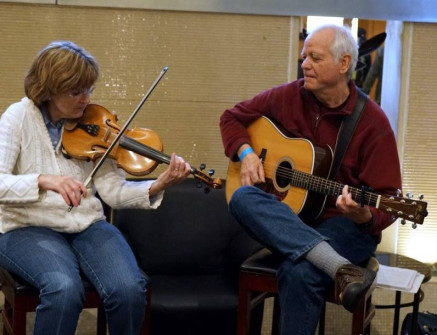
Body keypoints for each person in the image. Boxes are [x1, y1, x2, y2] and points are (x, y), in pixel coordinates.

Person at [220, 25, 401, 335]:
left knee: (300, 271)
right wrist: (247, 153)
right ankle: (339, 268)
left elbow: (389, 198)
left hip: (343, 226)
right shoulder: (289, 95)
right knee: (241, 197)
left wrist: (365, 214)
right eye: (305, 57)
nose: (305, 64)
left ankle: (327, 260)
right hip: (292, 219)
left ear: (343, 64)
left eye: (315, 58)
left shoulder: (373, 123)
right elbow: (231, 118)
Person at [0, 41, 191, 335]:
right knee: (63, 289)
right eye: (75, 92)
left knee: (128, 289)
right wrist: (43, 180)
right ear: (48, 89)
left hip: (86, 225)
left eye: (89, 89)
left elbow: (112, 191)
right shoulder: (17, 117)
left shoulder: (93, 124)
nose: (86, 100)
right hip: (26, 228)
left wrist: (157, 185)